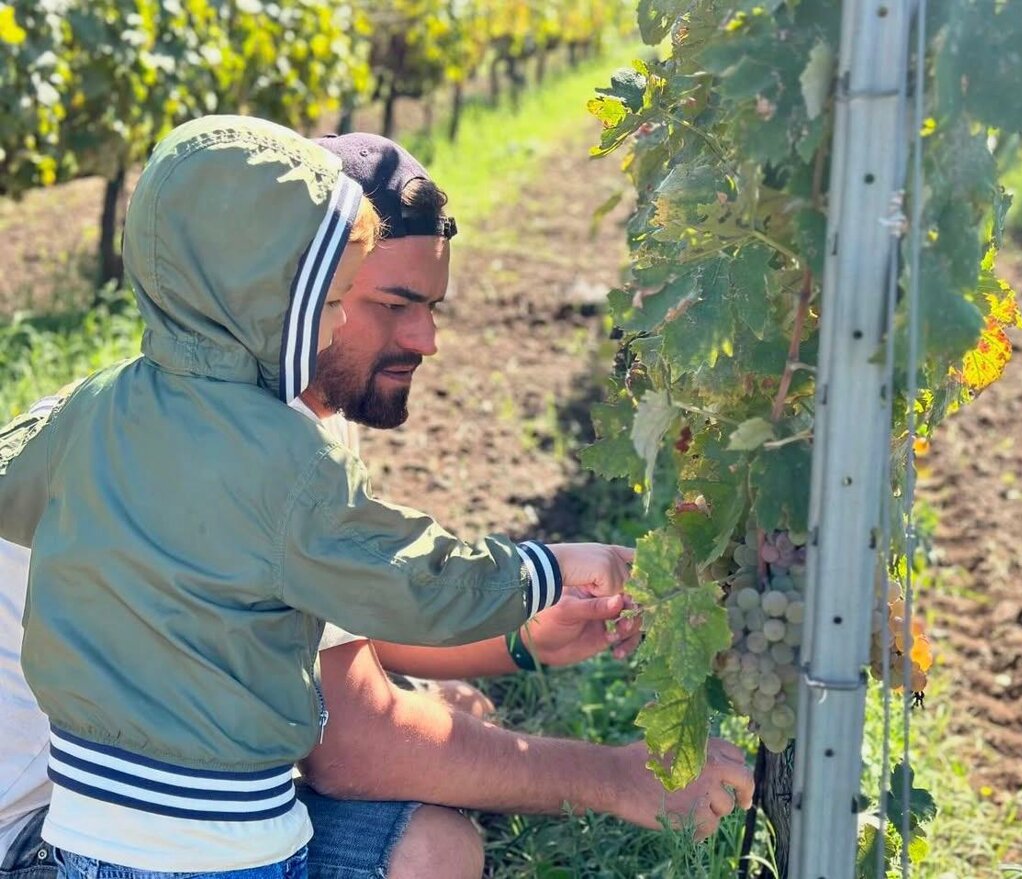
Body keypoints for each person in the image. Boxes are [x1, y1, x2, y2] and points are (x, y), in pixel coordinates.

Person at [0, 128, 753, 879]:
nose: (425, 338)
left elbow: (296, 603)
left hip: (130, 804)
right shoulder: (268, 448)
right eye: (388, 303)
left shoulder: (155, 409)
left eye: (432, 306)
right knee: (428, 846)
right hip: (49, 834)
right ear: (273, 291)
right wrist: (615, 778)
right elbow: (357, 748)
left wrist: (521, 639)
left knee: (434, 805)